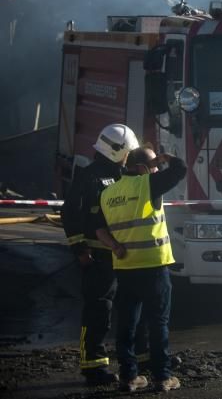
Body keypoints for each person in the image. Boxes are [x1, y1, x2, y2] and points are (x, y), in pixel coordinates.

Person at [96, 145, 186, 393]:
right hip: (154, 266)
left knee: (126, 324)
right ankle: (162, 377)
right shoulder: (148, 184)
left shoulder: (108, 193)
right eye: (154, 165)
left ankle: (128, 377)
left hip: (125, 267)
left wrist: (115, 246)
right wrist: (167, 157)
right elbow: (181, 169)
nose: (157, 169)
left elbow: (98, 229)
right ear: (143, 167)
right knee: (158, 323)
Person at [61, 123, 139, 385]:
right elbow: (69, 213)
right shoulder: (90, 176)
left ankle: (141, 357)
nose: (130, 156)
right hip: (98, 256)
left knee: (132, 309)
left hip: (125, 254)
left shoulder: (123, 175)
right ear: (117, 151)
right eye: (129, 151)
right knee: (99, 311)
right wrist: (79, 249)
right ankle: (93, 366)